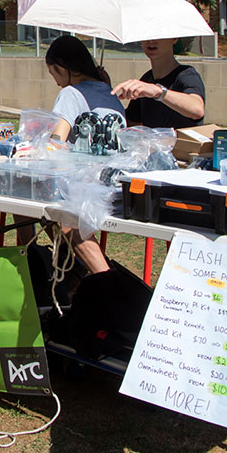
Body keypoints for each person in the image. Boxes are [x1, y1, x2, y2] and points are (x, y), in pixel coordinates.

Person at [44, 35, 127, 274]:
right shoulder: (108, 90)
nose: (57, 83)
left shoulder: (71, 93)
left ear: (62, 69)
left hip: (86, 187)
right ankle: (74, 273)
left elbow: (56, 143)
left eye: (54, 74)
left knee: (59, 219)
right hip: (115, 183)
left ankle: (106, 281)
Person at [112, 38, 205, 129]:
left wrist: (159, 92)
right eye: (146, 35)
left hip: (183, 144)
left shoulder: (187, 75)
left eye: (159, 36)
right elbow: (131, 122)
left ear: (174, 39)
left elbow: (197, 110)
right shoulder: (146, 79)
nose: (151, 41)